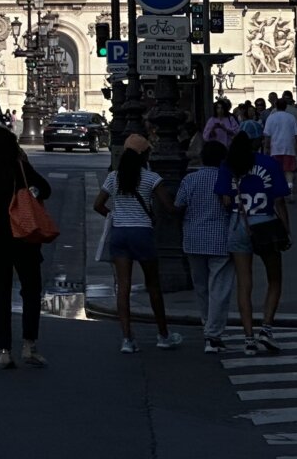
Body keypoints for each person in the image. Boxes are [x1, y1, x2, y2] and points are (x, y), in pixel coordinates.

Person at [0, 125, 52, 369]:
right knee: (30, 290)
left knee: (0, 293)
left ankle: (4, 351)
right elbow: (45, 189)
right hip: (23, 236)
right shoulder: (17, 166)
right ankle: (29, 345)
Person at [94, 136, 182, 353]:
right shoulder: (152, 178)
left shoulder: (114, 178)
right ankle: (163, 335)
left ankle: (127, 339)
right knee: (153, 285)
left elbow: (98, 205)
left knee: (123, 288)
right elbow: (169, 208)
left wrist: (113, 215)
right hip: (142, 233)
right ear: (144, 155)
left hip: (120, 233)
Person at [214, 132, 291, 355]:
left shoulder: (228, 165)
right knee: (274, 278)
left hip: (239, 223)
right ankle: (266, 328)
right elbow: (279, 200)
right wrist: (286, 228)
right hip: (266, 222)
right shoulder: (269, 164)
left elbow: (224, 199)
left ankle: (248, 338)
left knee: (244, 283)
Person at [175, 140, 238, 354]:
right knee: (219, 288)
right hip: (221, 238)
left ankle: (207, 324)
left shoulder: (190, 179)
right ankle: (213, 334)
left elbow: (179, 205)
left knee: (201, 287)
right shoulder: (227, 179)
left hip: (193, 238)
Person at [263, 96, 297, 200]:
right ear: (286, 106)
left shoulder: (271, 117)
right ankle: (290, 188)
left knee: (277, 170)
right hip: (289, 148)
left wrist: (266, 147)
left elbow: (267, 135)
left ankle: (278, 191)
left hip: (275, 148)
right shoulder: (291, 117)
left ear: (275, 106)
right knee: (289, 170)